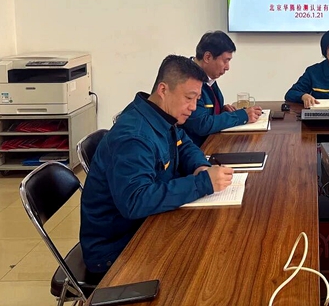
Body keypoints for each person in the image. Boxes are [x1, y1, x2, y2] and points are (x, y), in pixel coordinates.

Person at [80, 55, 234, 275]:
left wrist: (201, 167)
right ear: (163, 90)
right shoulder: (133, 137)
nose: (193, 107)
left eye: (197, 99)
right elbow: (136, 201)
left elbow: (184, 144)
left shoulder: (160, 114)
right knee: (211, 261)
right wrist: (202, 183)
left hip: (147, 223)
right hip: (117, 247)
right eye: (189, 98)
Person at [181, 31, 262, 147]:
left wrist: (220, 111)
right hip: (196, 148)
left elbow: (207, 111)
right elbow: (201, 124)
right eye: (225, 61)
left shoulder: (208, 77)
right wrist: (242, 116)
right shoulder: (188, 78)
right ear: (208, 57)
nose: (227, 67)